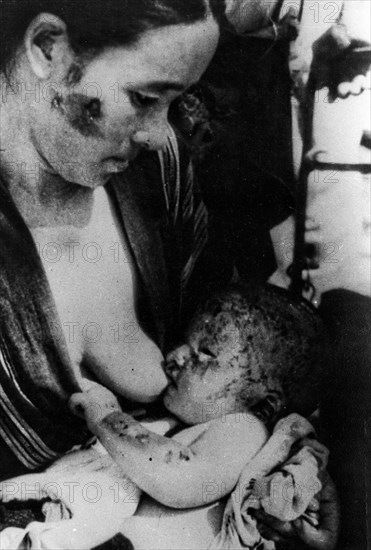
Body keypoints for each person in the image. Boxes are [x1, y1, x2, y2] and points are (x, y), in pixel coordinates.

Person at [0, 0, 227, 480]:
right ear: (48, 47)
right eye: (145, 98)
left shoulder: (157, 176)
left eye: (176, 101)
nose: (160, 134)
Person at [0, 285, 337, 549]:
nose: (175, 357)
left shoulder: (244, 429)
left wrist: (106, 418)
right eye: (182, 343)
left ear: (263, 406)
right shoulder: (186, 423)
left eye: (205, 355)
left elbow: (176, 480)